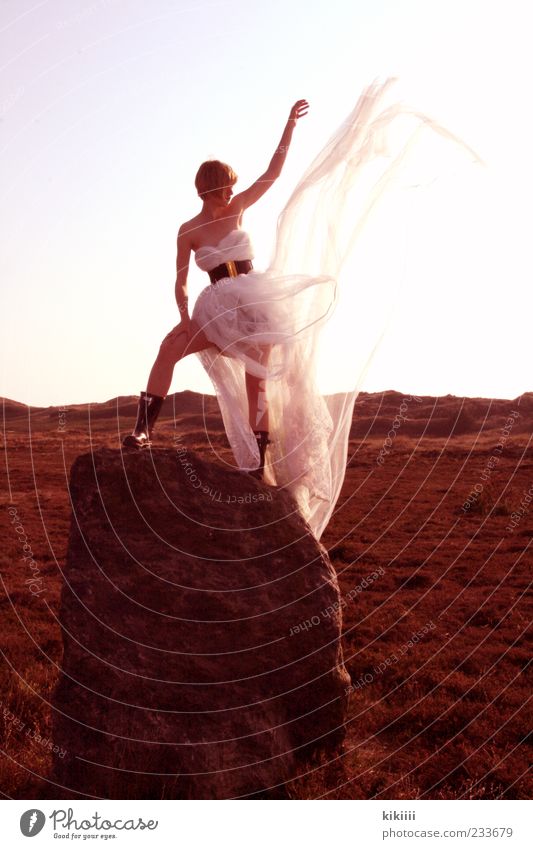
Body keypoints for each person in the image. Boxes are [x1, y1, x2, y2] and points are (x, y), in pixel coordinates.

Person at [122, 80, 481, 540]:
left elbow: (272, 174)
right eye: (224, 187)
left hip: (254, 299)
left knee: (258, 380)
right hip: (214, 305)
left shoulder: (240, 207)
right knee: (168, 350)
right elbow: (179, 278)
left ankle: (260, 463)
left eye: (232, 186)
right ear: (207, 189)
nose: (231, 193)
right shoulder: (188, 230)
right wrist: (182, 315)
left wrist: (288, 126)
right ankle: (142, 432)